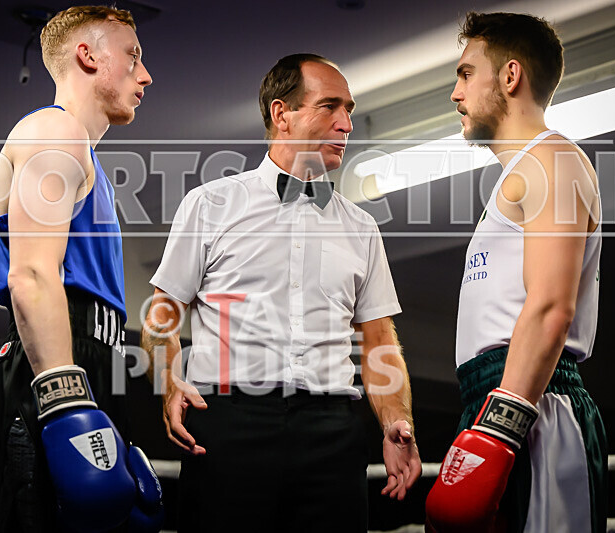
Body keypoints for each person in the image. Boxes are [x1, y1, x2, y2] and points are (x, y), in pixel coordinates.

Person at [141, 53, 421, 533]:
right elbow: (163, 313)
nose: (347, 123)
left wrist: (396, 419)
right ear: (281, 114)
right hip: (229, 424)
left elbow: (379, 339)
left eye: (349, 109)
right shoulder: (210, 205)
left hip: (332, 431)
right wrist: (168, 382)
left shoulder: (361, 227)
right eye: (330, 106)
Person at [0, 6, 162, 532]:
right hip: (50, 370)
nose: (145, 75)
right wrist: (64, 399)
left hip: (89, 363)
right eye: (133, 57)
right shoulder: (53, 129)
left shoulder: (86, 158)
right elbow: (30, 276)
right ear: (87, 55)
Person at [425, 12, 607, 533]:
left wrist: (500, 430)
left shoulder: (553, 159)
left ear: (509, 76)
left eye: (464, 74)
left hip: (533, 401)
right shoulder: (521, 171)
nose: (454, 94)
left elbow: (551, 306)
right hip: (498, 398)